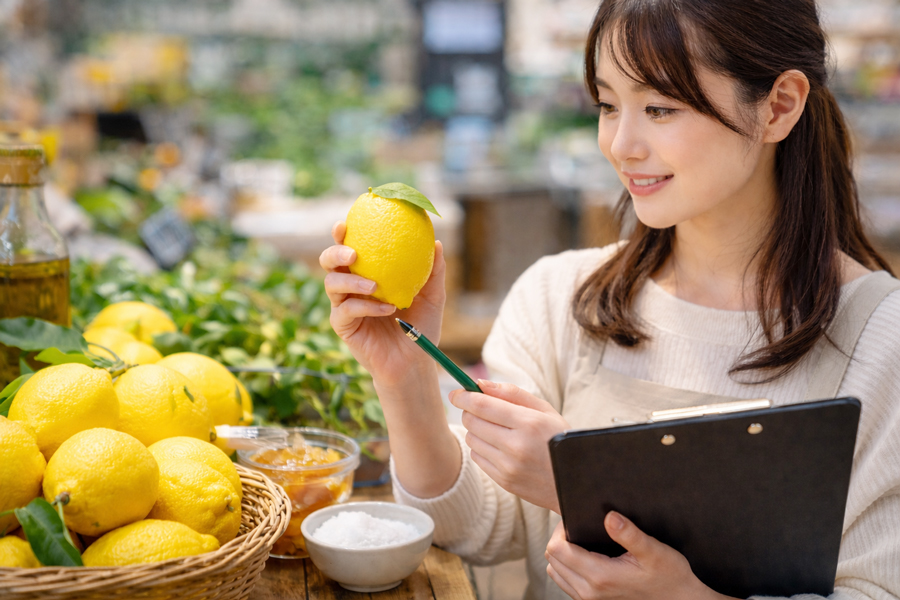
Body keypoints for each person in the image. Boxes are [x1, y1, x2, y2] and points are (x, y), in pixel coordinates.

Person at [319, 0, 900, 597]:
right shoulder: (556, 300)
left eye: (659, 108)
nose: (620, 144)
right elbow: (472, 530)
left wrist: (590, 494)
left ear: (780, 105)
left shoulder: (883, 341)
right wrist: (406, 378)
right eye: (606, 105)